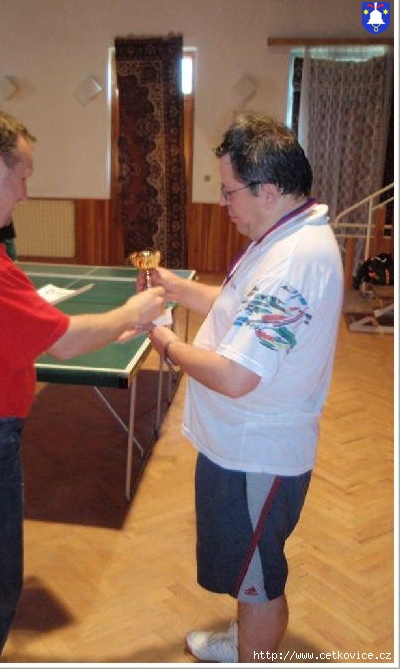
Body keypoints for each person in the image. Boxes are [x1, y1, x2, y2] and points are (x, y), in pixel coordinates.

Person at [0, 109, 165, 663]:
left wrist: (108, 324)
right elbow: (63, 342)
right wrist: (133, 311)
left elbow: (0, 332)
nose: (24, 193)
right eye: (23, 176)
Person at [145, 113, 344, 663]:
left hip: (257, 452)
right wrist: (178, 289)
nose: (223, 202)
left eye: (229, 191)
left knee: (258, 579)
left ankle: (255, 655)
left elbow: (236, 376)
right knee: (244, 567)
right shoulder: (283, 235)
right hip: (239, 444)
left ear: (268, 190)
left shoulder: (293, 262)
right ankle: (242, 643)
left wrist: (165, 342)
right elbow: (242, 309)